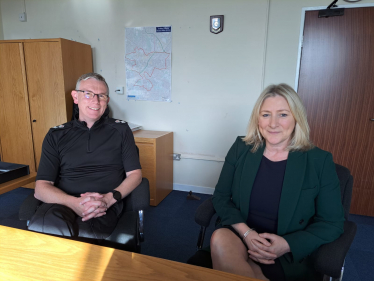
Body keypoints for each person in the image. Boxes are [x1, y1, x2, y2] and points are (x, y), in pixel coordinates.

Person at [210, 84, 344, 281]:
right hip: (241, 235)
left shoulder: (318, 161)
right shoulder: (242, 148)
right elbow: (221, 197)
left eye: (282, 114)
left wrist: (287, 244)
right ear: (258, 118)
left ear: (296, 118)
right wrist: (247, 234)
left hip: (286, 250)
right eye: (266, 115)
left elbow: (332, 223)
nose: (273, 124)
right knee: (219, 237)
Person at [28, 73, 142, 242]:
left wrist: (108, 199)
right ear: (76, 97)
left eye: (101, 96)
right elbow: (42, 187)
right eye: (88, 94)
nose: (95, 101)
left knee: (90, 237)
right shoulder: (56, 135)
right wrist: (73, 203)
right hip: (62, 200)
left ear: (107, 101)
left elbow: (135, 175)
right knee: (47, 228)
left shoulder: (121, 130)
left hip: (104, 202)